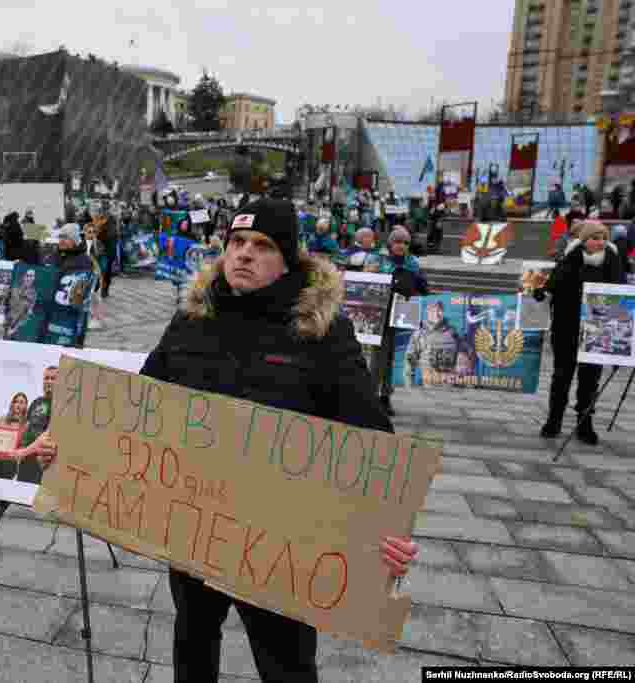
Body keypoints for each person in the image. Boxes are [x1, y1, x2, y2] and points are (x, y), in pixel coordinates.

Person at [29, 199, 419, 682]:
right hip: (195, 524)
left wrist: (388, 526)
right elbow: (136, 410)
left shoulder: (321, 331)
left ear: (288, 261)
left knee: (288, 663)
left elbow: (372, 437)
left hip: (283, 542)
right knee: (193, 642)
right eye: (237, 242)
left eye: (262, 246)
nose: (244, 254)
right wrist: (69, 444)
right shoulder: (193, 319)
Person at [535, 221, 625, 444]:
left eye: (603, 237)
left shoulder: (613, 262)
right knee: (561, 376)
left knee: (590, 380)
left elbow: (622, 296)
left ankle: (585, 423)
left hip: (597, 331)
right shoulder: (569, 260)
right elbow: (551, 287)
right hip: (566, 328)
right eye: (595, 238)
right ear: (584, 240)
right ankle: (554, 420)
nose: (600, 242)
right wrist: (539, 292)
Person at [374, 227, 430, 415]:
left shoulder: (412, 263)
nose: (401, 246)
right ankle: (373, 396)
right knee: (378, 358)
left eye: (405, 243)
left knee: (392, 358)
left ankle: (385, 397)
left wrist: (417, 284)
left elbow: (423, 288)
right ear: (390, 243)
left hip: (400, 316)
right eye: (398, 242)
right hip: (379, 314)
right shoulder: (378, 259)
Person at [8, 365, 58, 484]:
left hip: (42, 461)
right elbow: (26, 427)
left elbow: (49, 433)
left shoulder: (59, 405)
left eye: (53, 378)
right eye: (46, 378)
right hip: (25, 460)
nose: (49, 381)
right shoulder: (37, 401)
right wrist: (13, 445)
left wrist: (24, 452)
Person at [0, 391, 29, 479]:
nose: (18, 404)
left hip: (9, 465)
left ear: (25, 406)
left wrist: (16, 453)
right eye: (15, 401)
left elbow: (24, 447)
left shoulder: (26, 425)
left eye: (21, 402)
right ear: (12, 404)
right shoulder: (2, 419)